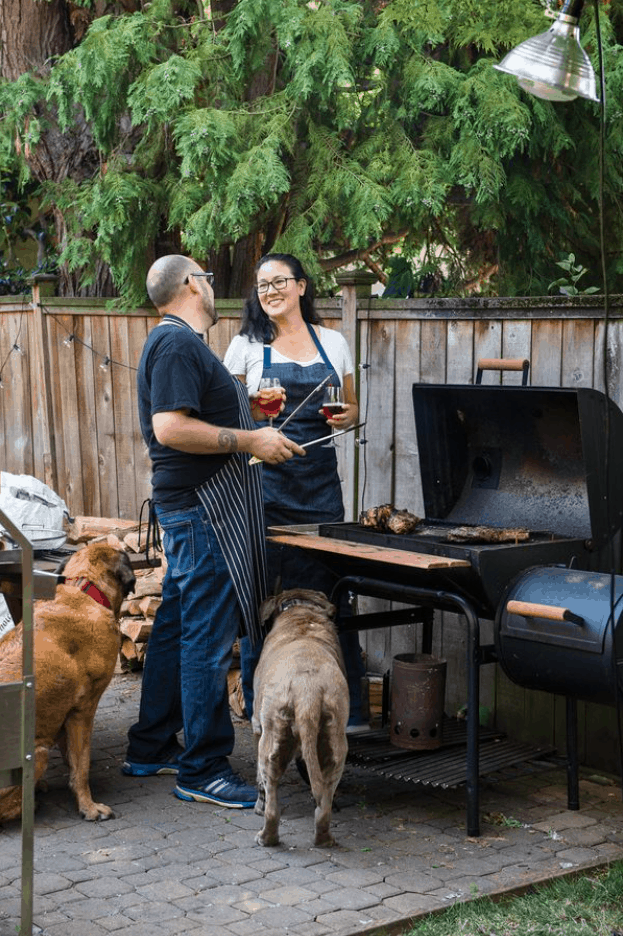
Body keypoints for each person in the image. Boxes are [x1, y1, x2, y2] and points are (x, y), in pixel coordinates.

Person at [123, 254, 305, 808]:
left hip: (195, 509)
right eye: (205, 277)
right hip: (204, 513)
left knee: (178, 626)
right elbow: (171, 427)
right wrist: (251, 441)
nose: (212, 286)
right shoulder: (177, 343)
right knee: (206, 638)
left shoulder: (179, 345)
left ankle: (151, 744)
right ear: (188, 286)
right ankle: (201, 770)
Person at [224, 252, 367, 727]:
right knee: (261, 601)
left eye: (279, 282)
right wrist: (251, 405)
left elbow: (350, 407)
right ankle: (264, 707)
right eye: (262, 285)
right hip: (263, 490)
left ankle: (345, 714)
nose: (270, 291)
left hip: (322, 489)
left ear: (302, 287)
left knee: (329, 598)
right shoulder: (245, 346)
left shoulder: (335, 342)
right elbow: (223, 418)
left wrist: (351, 416)